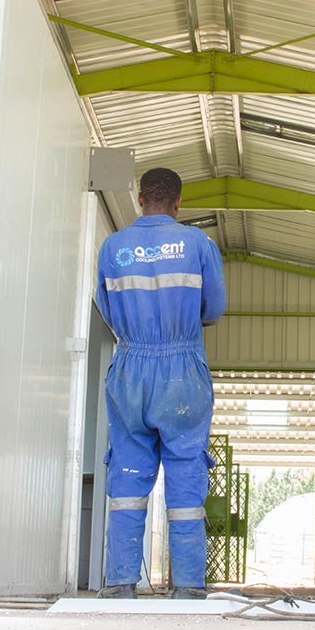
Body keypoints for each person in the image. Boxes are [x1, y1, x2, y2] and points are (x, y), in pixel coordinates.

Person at [94, 167, 226, 600]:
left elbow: (106, 310)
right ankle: (187, 585)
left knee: (129, 470)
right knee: (185, 468)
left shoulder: (113, 247)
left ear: (139, 199)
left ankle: (120, 582)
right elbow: (214, 308)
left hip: (130, 367)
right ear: (178, 201)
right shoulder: (198, 244)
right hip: (182, 370)